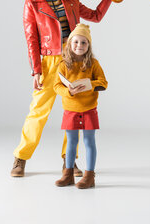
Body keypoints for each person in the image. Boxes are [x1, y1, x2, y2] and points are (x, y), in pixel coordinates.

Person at [11, 0, 120, 177]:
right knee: (38, 111)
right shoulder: (32, 2)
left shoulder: (70, 1)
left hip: (73, 60)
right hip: (49, 61)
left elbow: (96, 16)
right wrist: (36, 70)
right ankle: (20, 158)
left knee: (74, 109)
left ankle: (68, 162)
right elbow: (31, 38)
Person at [54, 24, 107, 189]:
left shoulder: (94, 63)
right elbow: (56, 86)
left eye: (84, 42)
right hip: (70, 110)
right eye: (75, 42)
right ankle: (68, 174)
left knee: (89, 141)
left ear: (88, 45)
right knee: (71, 142)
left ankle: (89, 176)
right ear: (69, 44)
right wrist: (68, 90)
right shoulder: (63, 64)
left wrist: (90, 84)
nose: (79, 46)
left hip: (89, 109)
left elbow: (103, 83)